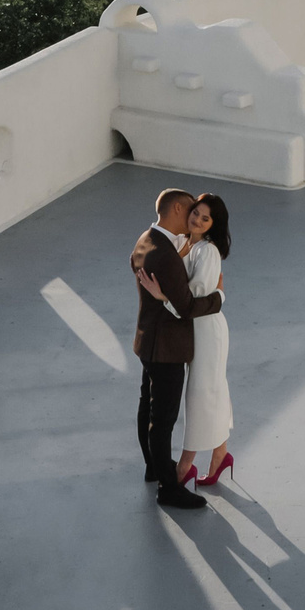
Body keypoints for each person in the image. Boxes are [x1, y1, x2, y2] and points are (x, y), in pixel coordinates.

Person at [130, 187, 221, 511]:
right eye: (191, 212)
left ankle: (154, 468)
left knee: (148, 407)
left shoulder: (146, 240)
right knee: (163, 417)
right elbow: (184, 308)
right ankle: (169, 489)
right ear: (179, 209)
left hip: (147, 339)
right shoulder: (166, 256)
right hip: (166, 347)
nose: (194, 218)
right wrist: (218, 299)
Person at [175, 192, 234, 487]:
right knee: (211, 392)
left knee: (200, 394)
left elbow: (194, 294)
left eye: (205, 218)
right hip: (198, 329)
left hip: (208, 332)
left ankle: (185, 466)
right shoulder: (189, 244)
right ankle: (220, 454)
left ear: (213, 225)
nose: (196, 219)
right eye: (195, 212)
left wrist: (165, 292)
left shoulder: (207, 251)